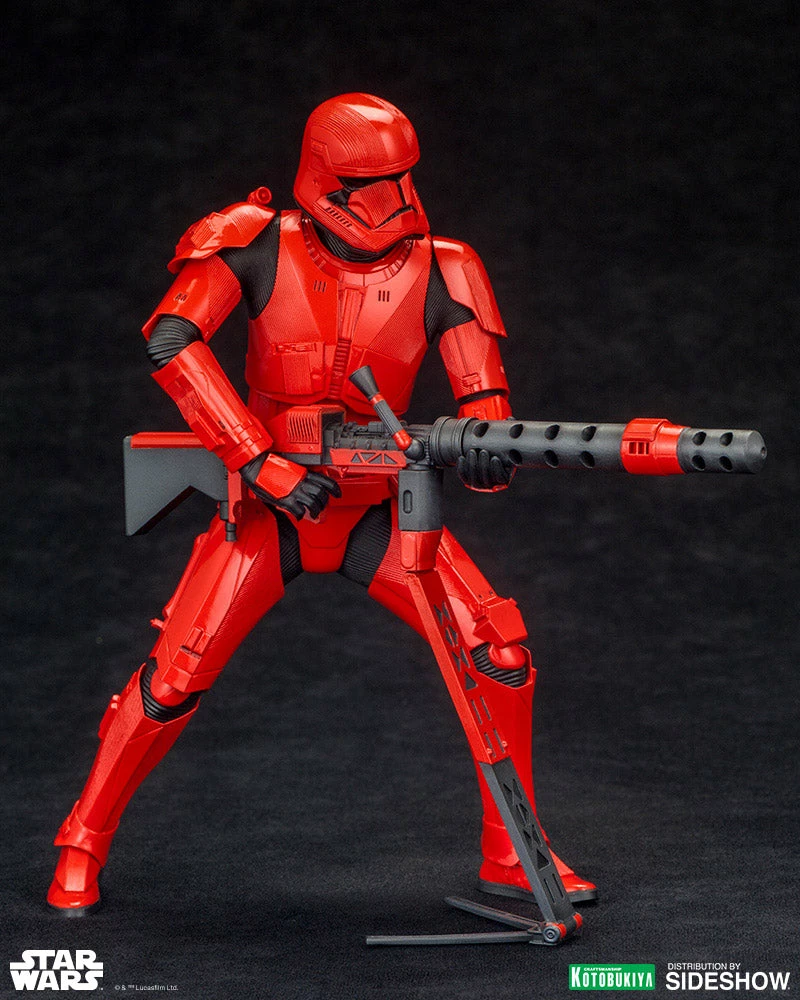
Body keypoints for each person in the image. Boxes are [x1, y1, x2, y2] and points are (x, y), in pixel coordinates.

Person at [48, 93, 596, 915]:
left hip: (381, 511)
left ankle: (513, 851)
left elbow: (481, 394)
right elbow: (171, 338)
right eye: (370, 182)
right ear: (324, 178)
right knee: (172, 680)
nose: (391, 200)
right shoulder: (253, 241)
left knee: (499, 654)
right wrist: (256, 458)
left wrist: (487, 445)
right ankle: (83, 836)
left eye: (401, 178)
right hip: (267, 511)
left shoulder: (446, 266)